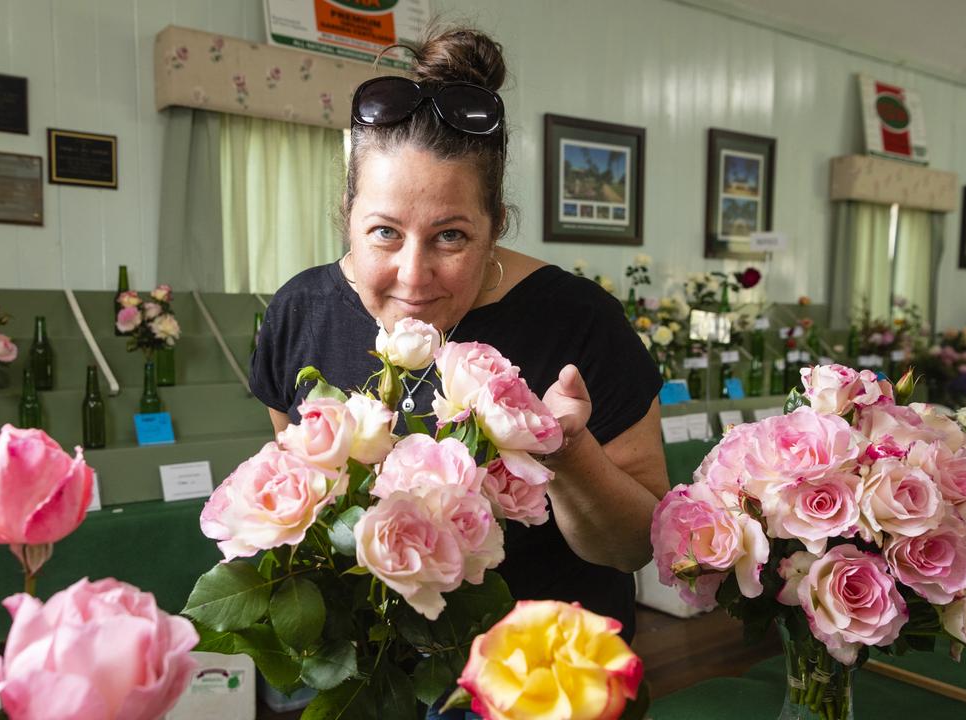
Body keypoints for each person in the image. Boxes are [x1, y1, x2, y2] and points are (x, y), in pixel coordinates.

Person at [249, 27, 668, 642]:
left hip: (548, 674)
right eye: (385, 233)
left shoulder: (580, 323)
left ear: (495, 225)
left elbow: (634, 548)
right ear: (348, 217)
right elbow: (307, 505)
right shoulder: (298, 314)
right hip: (375, 676)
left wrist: (569, 455)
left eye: (451, 236)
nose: (413, 278)